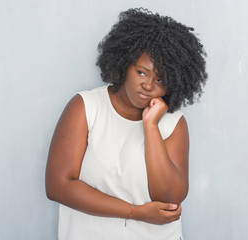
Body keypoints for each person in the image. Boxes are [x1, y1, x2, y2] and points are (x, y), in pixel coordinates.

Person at [45, 7, 207, 240]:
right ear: (124, 64)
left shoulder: (173, 123)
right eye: (141, 72)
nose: (148, 85)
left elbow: (170, 199)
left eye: (160, 79)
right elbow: (58, 186)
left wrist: (150, 127)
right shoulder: (87, 107)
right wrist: (136, 212)